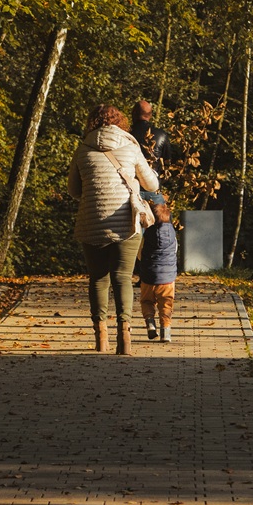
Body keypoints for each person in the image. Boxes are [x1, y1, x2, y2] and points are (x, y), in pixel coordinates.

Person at [68, 104, 159, 355]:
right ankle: (125, 341)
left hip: (92, 221)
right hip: (125, 221)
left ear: (92, 123)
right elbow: (151, 183)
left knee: (98, 278)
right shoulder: (131, 147)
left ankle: (101, 340)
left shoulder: (83, 149)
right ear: (120, 122)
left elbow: (74, 191)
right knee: (122, 277)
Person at [138, 203, 178, 343]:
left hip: (148, 276)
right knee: (166, 303)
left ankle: (150, 323)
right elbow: (175, 251)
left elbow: (139, 254)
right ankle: (165, 332)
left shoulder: (147, 235)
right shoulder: (172, 233)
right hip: (167, 279)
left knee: (147, 301)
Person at [131, 100, 172, 206]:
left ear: (133, 113)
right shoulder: (161, 135)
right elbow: (167, 164)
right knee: (164, 221)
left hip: (131, 188)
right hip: (153, 188)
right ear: (150, 115)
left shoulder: (125, 134)